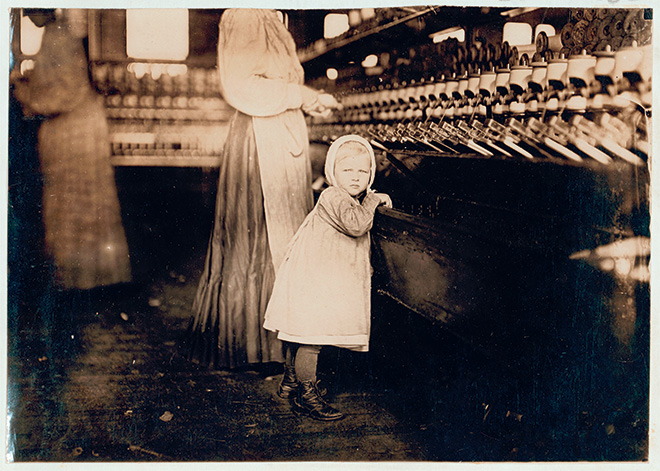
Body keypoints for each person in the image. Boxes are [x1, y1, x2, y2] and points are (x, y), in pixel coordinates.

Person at [185, 9, 340, 369]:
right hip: (261, 141)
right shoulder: (247, 13)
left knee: (281, 235)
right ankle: (254, 347)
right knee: (263, 236)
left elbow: (272, 83)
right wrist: (301, 96)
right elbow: (241, 86)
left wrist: (310, 101)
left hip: (277, 134)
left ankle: (278, 345)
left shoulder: (270, 14)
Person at [10, 9, 132, 354]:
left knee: (74, 204)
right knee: (82, 205)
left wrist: (22, 91)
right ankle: (85, 281)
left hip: (73, 130)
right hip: (75, 128)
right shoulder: (56, 34)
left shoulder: (58, 35)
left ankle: (79, 283)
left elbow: (64, 91)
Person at [263, 135, 392, 421]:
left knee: (303, 331)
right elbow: (357, 226)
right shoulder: (333, 195)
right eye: (348, 171)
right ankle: (307, 396)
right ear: (333, 172)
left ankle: (290, 383)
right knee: (312, 336)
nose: (356, 177)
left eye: (363, 171)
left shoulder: (346, 197)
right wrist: (373, 200)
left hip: (315, 274)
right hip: (317, 278)